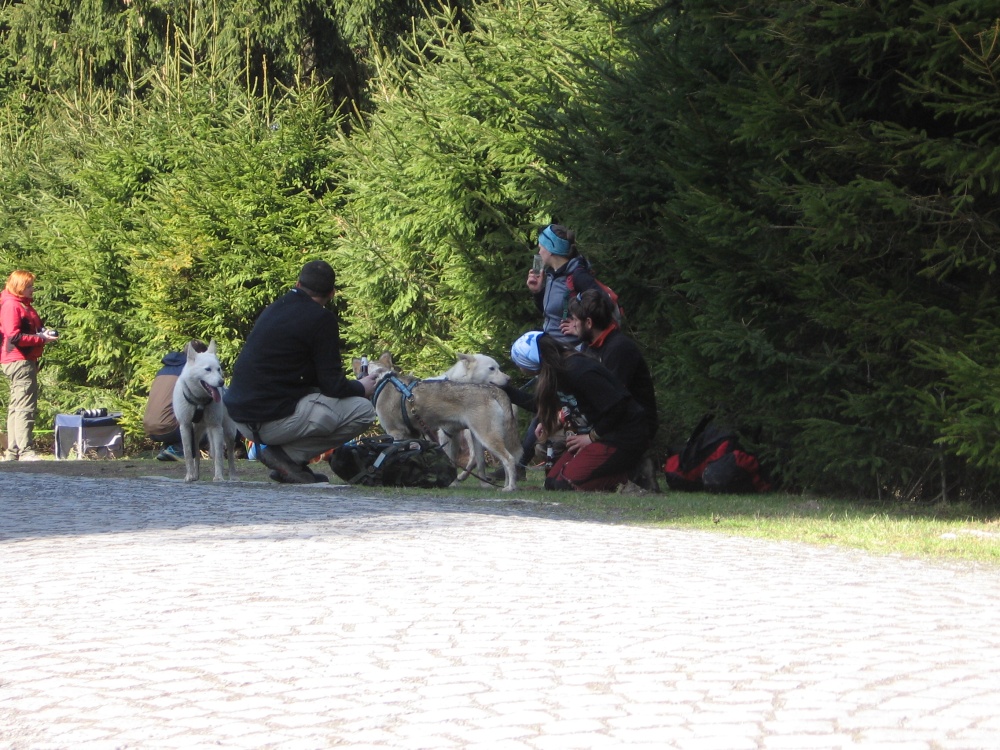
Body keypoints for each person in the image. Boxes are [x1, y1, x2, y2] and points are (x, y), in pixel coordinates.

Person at [223, 259, 377, 484]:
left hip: (241, 418)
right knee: (363, 410)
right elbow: (332, 385)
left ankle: (286, 462)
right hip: (270, 421)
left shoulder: (274, 308)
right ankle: (288, 457)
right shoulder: (321, 319)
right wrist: (361, 387)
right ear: (332, 293)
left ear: (297, 284)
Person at [509, 330, 650, 492]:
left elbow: (618, 406)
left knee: (566, 485)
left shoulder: (579, 371)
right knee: (552, 483)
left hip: (623, 436)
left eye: (520, 363)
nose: (519, 368)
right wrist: (505, 390)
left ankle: (630, 477)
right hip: (603, 434)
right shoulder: (557, 371)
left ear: (530, 362)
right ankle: (611, 473)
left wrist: (591, 437)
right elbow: (539, 404)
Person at [567, 289, 658, 442]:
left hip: (632, 429)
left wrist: (591, 437)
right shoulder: (590, 346)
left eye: (575, 320)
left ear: (589, 323)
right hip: (608, 423)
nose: (573, 325)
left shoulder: (619, 349)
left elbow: (614, 403)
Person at [0, 270, 59, 461]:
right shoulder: (12, 305)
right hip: (19, 360)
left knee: (16, 405)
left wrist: (44, 332)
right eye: (30, 286)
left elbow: (32, 327)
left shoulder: (22, 305)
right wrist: (40, 339)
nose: (33, 289)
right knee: (24, 406)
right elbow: (13, 336)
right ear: (20, 287)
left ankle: (13, 451)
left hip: (21, 359)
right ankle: (25, 450)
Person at [142, 340, 209, 461]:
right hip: (170, 428)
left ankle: (169, 448)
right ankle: (180, 449)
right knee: (211, 424)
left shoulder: (162, 371)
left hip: (149, 427)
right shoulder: (190, 371)